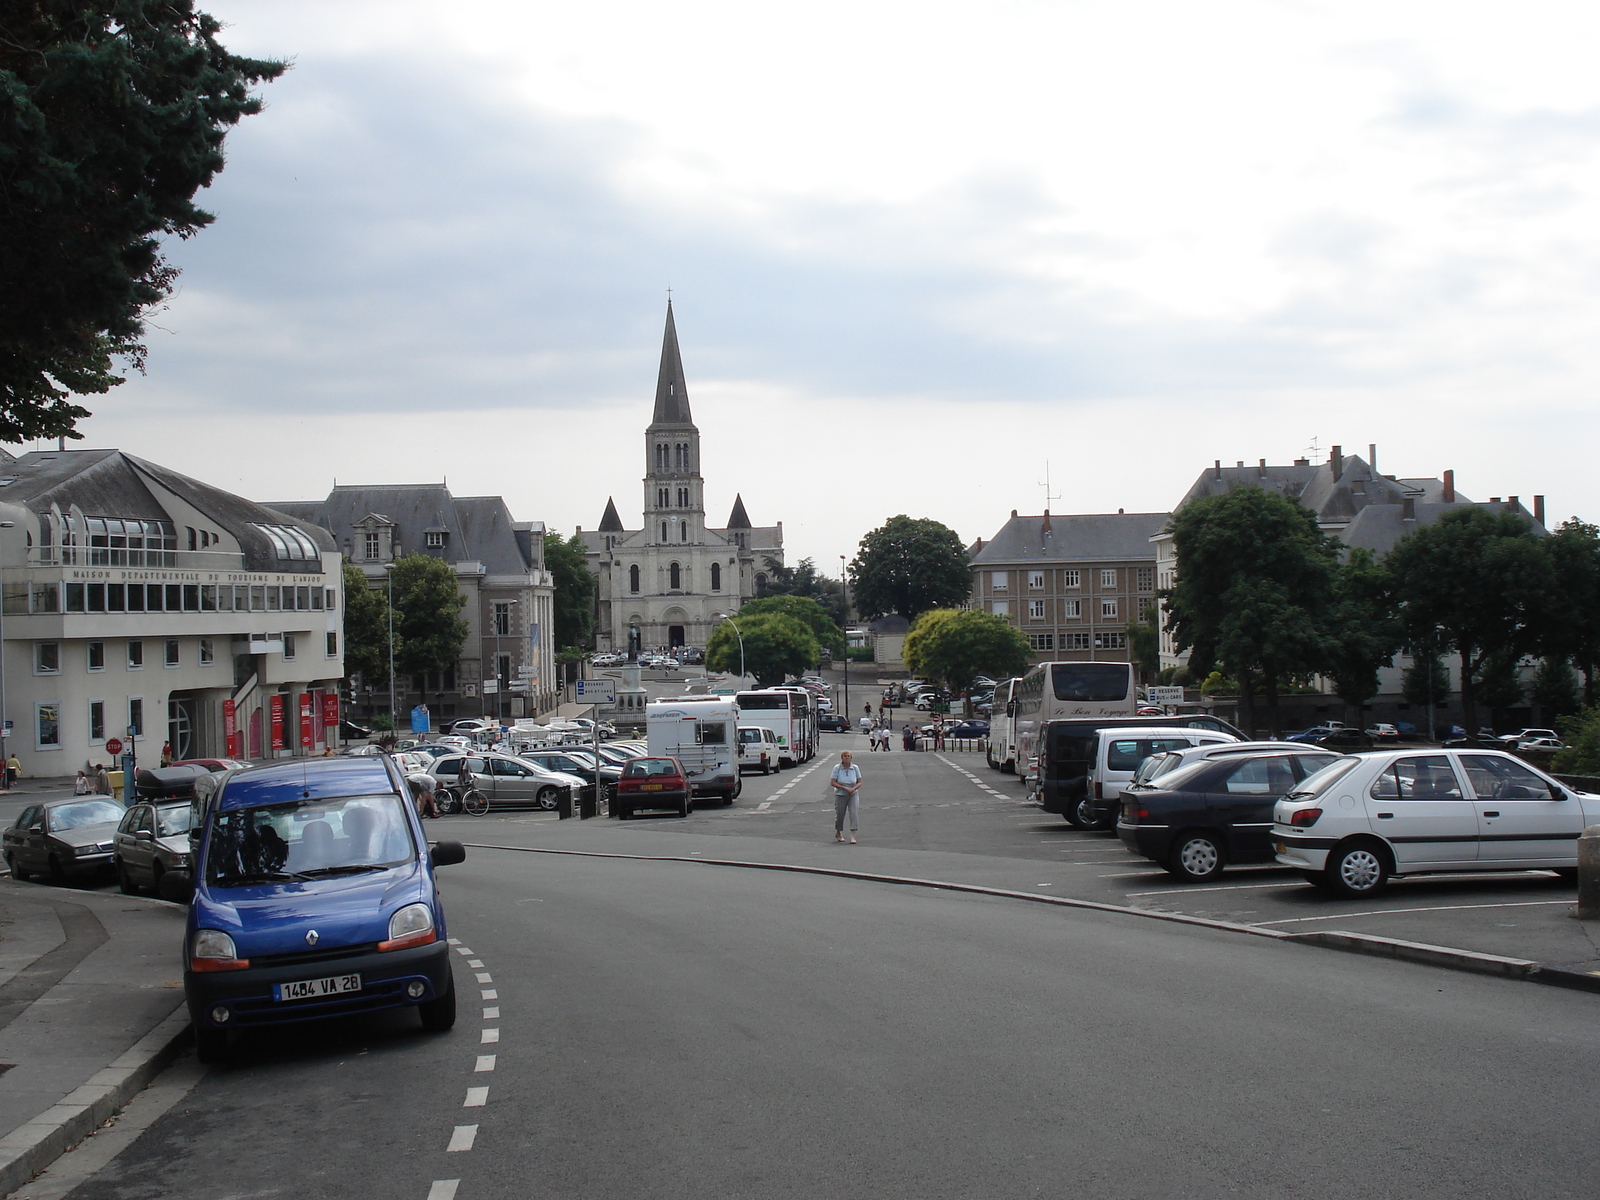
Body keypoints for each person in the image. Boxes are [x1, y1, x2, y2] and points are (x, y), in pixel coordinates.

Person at [830, 750, 862, 843]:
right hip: (840, 794)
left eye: (848, 756)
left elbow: (859, 781)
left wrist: (854, 788)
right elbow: (832, 782)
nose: (847, 758)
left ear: (851, 758)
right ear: (842, 758)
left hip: (853, 794)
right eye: (845, 756)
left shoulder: (855, 768)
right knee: (840, 814)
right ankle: (838, 832)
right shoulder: (837, 768)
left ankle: (852, 835)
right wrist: (844, 788)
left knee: (854, 813)